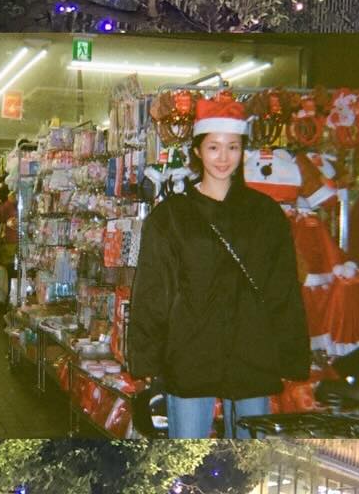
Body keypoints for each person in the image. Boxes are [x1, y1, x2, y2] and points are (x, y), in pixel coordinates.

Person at [126, 90, 312, 438]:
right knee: (188, 452)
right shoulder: (172, 216)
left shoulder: (265, 214)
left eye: (232, 147)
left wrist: (291, 354)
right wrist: (147, 358)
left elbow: (282, 287)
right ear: (197, 150)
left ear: (243, 151)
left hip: (252, 350)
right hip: (190, 352)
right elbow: (153, 290)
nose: (223, 157)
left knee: (249, 455)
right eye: (213, 147)